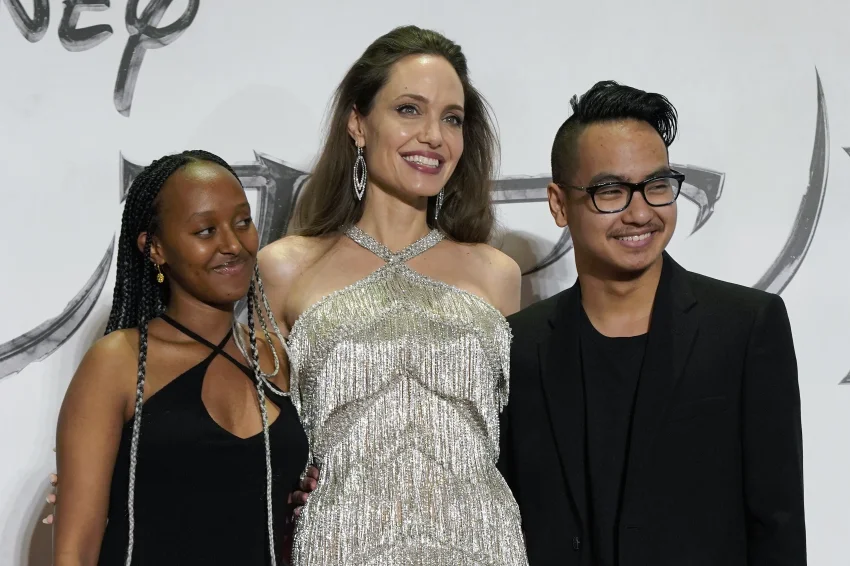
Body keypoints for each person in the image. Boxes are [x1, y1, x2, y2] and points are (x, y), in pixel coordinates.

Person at [499, 81, 806, 565]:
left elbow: (778, 524)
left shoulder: (746, 328)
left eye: (657, 186)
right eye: (611, 191)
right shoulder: (517, 346)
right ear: (559, 203)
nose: (641, 213)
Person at [257, 25, 527, 565]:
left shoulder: (497, 273)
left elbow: (521, 441)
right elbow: (258, 441)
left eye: (452, 118)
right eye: (409, 110)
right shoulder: (284, 267)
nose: (433, 136)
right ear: (357, 123)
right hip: (339, 545)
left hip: (482, 546)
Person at [51, 150, 308, 566]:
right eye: (206, 230)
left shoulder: (275, 359)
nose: (233, 244)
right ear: (154, 248)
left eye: (243, 222)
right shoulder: (118, 362)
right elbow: (74, 552)